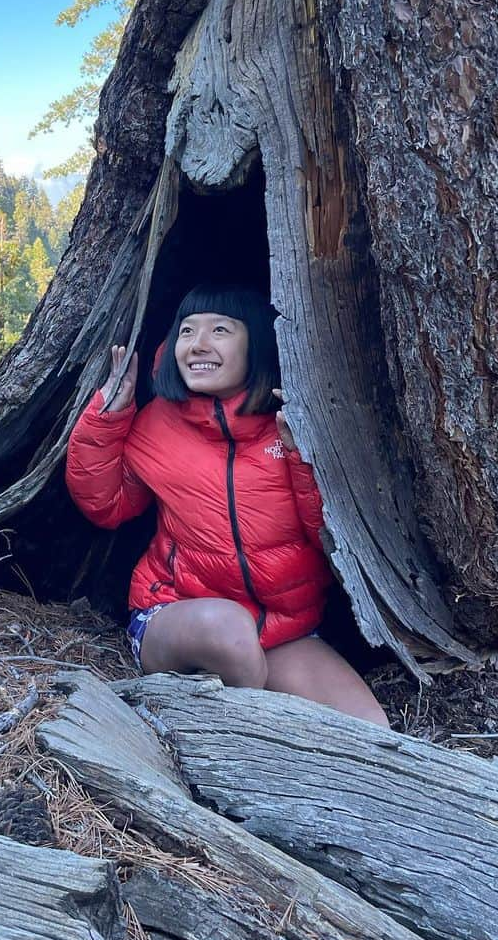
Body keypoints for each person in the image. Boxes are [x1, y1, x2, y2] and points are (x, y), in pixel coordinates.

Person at [66, 284, 388, 726]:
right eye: (187, 331)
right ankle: (245, 740)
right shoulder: (157, 423)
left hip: (279, 631)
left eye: (220, 330)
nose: (198, 345)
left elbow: (327, 534)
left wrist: (301, 456)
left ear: (254, 342)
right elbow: (107, 504)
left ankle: (259, 725)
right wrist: (109, 417)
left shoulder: (288, 422)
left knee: (369, 728)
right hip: (175, 614)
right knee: (228, 632)